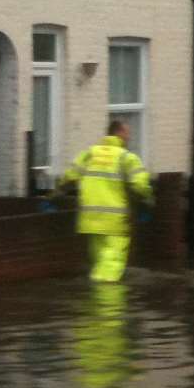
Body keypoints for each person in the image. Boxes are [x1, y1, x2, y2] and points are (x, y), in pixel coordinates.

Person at [59, 119, 154, 283]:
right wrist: (149, 199)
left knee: (99, 263)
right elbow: (139, 185)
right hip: (115, 222)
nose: (129, 137)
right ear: (118, 133)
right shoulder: (126, 158)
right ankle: (106, 304)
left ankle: (94, 300)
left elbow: (69, 177)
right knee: (110, 268)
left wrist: (54, 194)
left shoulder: (90, 154)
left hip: (91, 220)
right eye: (127, 133)